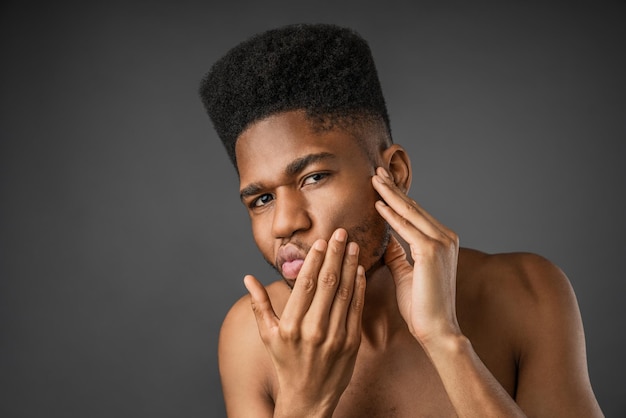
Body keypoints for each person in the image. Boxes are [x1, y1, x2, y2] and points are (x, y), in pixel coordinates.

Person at [199, 24, 603, 417]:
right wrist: (304, 404)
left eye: (314, 177)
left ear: (393, 173)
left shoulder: (526, 293)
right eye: (262, 199)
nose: (283, 224)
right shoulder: (253, 336)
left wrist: (445, 340)